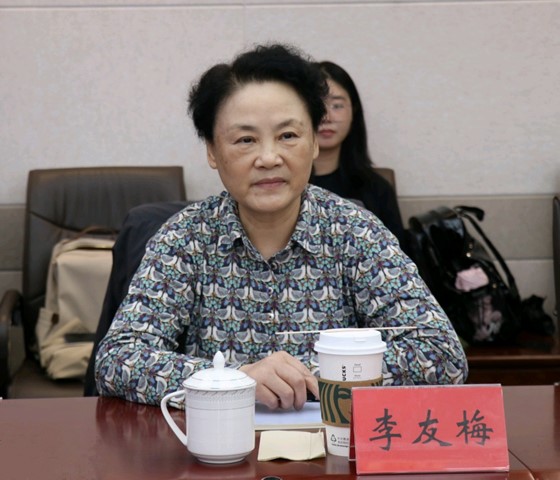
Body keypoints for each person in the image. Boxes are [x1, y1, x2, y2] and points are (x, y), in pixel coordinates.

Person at [95, 43, 467, 411]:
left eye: (288, 136)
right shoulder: (184, 238)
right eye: (245, 140)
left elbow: (442, 354)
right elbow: (117, 360)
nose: (269, 158)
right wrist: (236, 379)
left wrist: (309, 377)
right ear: (212, 151)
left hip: (330, 444)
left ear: (314, 142)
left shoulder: (356, 233)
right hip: (217, 441)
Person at [310, 61, 406, 248]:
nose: (326, 117)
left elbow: (398, 258)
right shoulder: (284, 186)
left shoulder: (377, 188)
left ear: (353, 111)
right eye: (317, 106)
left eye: (337, 105)